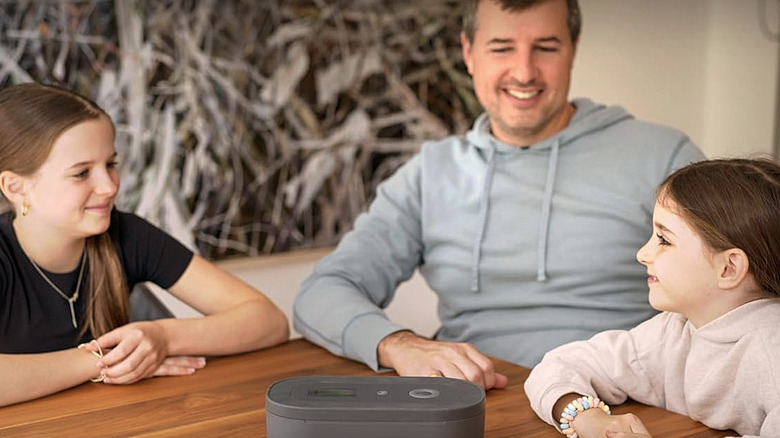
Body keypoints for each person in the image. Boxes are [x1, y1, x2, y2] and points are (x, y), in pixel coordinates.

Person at [293, 0, 705, 390]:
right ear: (469, 53)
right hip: (482, 402)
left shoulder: (663, 158)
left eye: (545, 47)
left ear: (573, 50)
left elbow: (744, 292)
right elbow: (322, 293)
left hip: (621, 403)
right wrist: (399, 344)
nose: (524, 72)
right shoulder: (429, 173)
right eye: (501, 48)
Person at [0, 82, 290, 407]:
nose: (109, 186)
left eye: (110, 164)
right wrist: (108, 360)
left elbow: (269, 322)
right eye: (82, 173)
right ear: (15, 186)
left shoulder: (128, 234)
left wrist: (163, 338)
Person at [524, 158, 780, 438]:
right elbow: (560, 365)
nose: (642, 254)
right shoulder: (674, 331)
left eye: (663, 239)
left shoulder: (771, 353)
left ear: (728, 268)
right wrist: (588, 419)